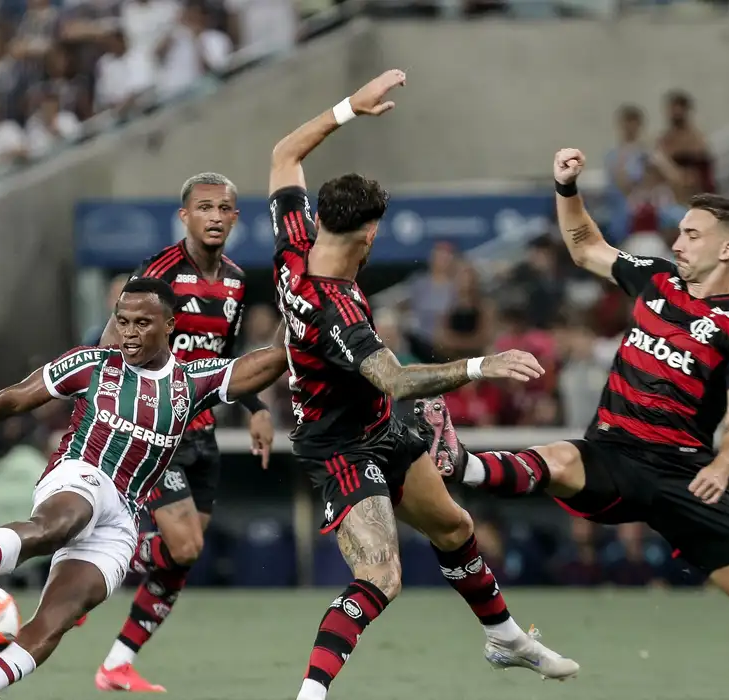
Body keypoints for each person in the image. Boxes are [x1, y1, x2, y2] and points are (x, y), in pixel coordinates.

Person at [424, 148, 729, 700]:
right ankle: (460, 464)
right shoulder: (656, 280)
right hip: (614, 453)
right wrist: (566, 188)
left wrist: (723, 463)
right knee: (559, 458)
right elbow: (585, 247)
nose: (677, 243)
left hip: (684, 475)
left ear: (727, 247)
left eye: (691, 235)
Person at [268, 69, 579, 700]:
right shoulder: (338, 308)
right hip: (340, 447)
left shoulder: (295, 243)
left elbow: (283, 153)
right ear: (370, 234)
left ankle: (507, 639)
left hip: (382, 429)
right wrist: (476, 367)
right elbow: (395, 377)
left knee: (455, 530)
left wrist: (347, 109)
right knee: (381, 575)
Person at [0, 277, 288, 700]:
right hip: (81, 474)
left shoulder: (191, 383)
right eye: (123, 322)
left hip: (123, 520)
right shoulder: (93, 364)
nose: (129, 332)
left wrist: (297, 298)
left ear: (170, 325)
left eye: (143, 323)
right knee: (57, 524)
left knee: (55, 620)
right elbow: (19, 396)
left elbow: (272, 360)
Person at [94, 172, 276, 693]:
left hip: (203, 434)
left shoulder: (239, 281)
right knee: (185, 545)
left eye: (224, 208)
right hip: (156, 433)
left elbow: (226, 363)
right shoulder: (158, 273)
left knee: (181, 559)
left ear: (236, 218)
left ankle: (117, 663)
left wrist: (255, 406)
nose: (215, 216)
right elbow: (112, 344)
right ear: (185, 216)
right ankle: (92, 559)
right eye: (205, 207)